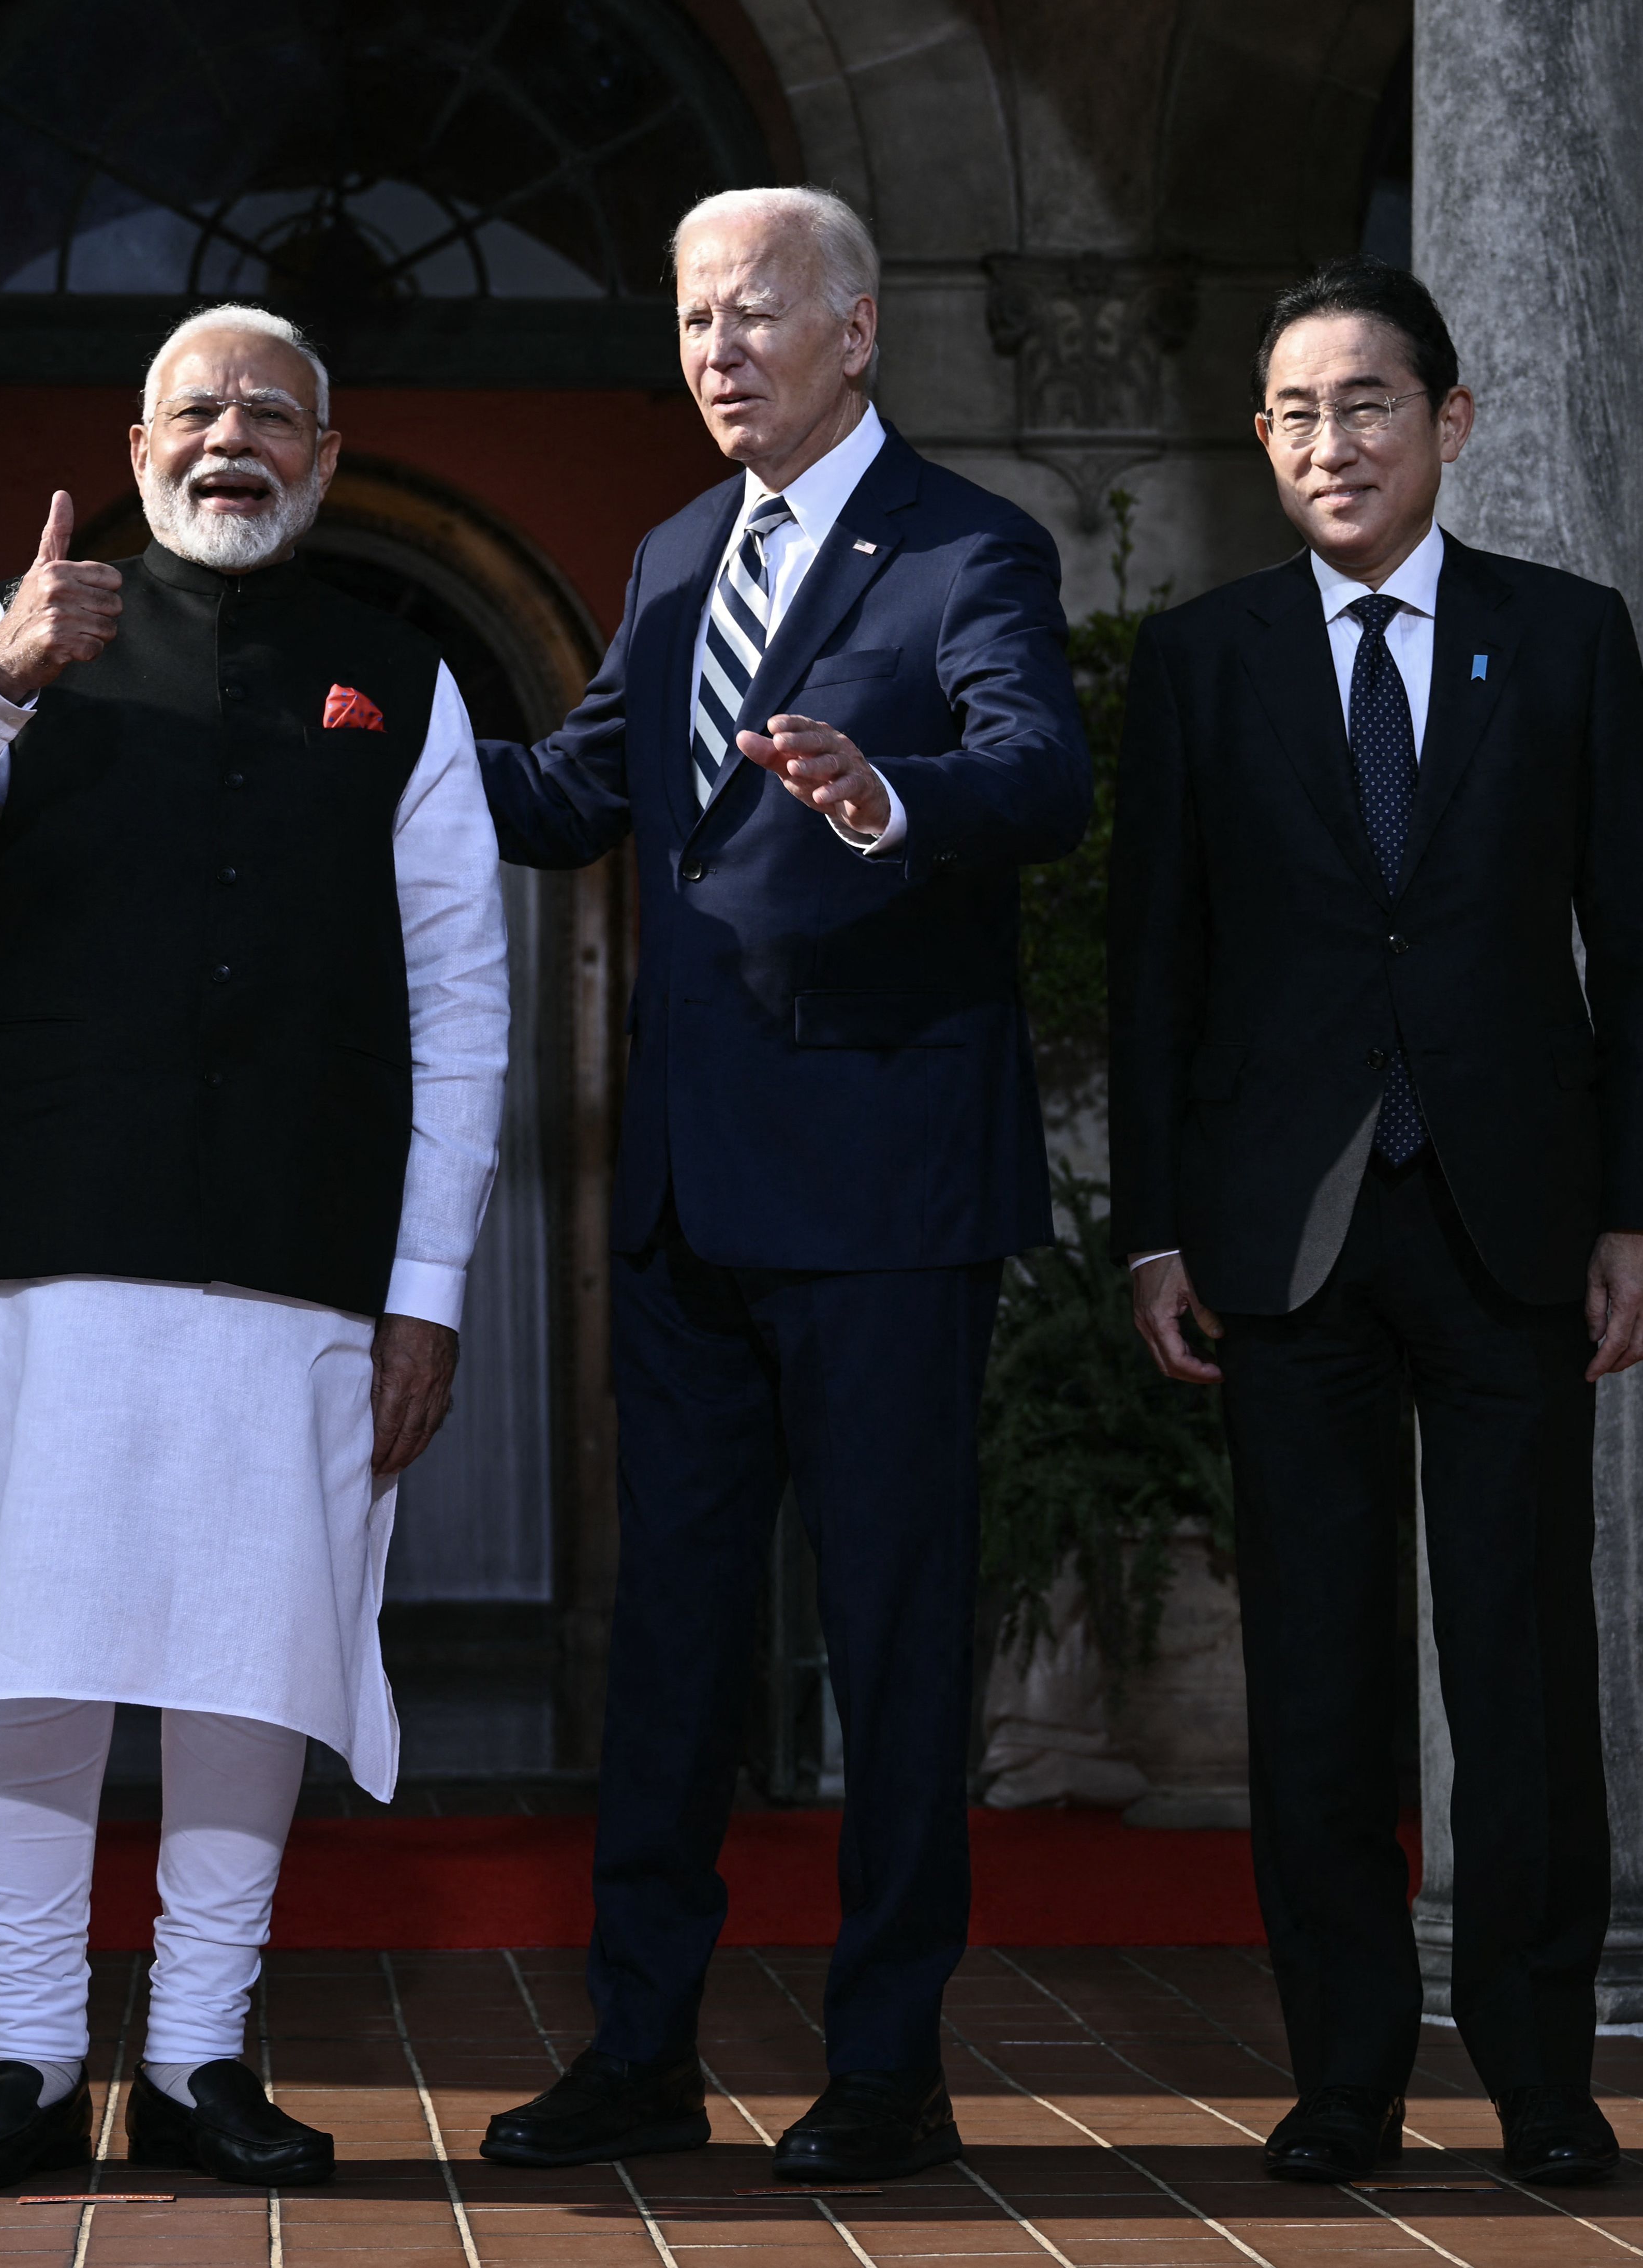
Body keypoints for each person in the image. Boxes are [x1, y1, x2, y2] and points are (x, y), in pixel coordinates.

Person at [0, 304, 509, 2197]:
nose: (234, 440)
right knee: (24, 1664)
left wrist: (428, 1293)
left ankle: (203, 2056)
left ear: (327, 457)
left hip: (292, 1269)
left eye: (273, 416)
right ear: (136, 450)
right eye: (197, 411)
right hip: (28, 1257)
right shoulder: (21, 635)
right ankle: (31, 2055)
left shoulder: (405, 680)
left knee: (247, 1663)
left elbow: (463, 1004)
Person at [470, 187, 1089, 2184]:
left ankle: (889, 2063)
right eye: (687, 320)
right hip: (683, 1200)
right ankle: (641, 2046)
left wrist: (898, 797)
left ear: (857, 329)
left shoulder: (969, 546)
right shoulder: (670, 555)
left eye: (749, 312)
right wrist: (354, 734)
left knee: (896, 1638)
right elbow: (573, 790)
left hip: (890, 1190)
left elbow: (1044, 774)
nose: (714, 348)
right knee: (672, 1644)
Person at [1106, 257, 1643, 2190]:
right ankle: (1344, 2075)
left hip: (1517, 1227)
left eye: (1367, 403)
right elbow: (1156, 971)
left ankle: (1542, 2074)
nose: (1330, 441)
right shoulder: (1206, 665)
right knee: (1322, 1682)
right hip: (1289, 1243)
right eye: (1293, 411)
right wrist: (1156, 1229)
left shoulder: (1572, 638)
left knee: (1523, 1671)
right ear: (1261, 443)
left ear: (1449, 423)